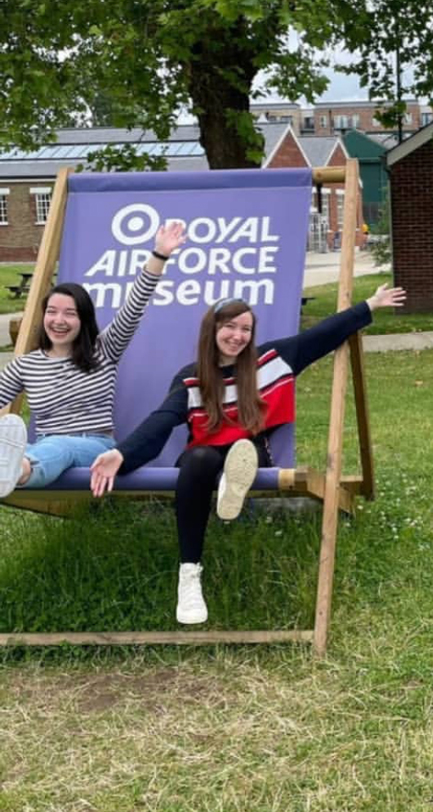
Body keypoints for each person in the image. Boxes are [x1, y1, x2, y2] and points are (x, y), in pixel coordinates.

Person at [89, 282, 407, 624]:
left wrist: (369, 306)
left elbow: (320, 336)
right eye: (229, 326)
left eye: (245, 329)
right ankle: (189, 574)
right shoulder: (191, 378)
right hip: (203, 463)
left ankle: (233, 479)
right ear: (212, 329)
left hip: (251, 454)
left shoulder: (270, 361)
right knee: (199, 457)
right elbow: (162, 420)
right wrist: (122, 454)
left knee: (244, 449)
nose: (237, 336)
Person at [0, 222, 187, 497]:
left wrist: (159, 255)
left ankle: (18, 471)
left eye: (69, 313)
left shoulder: (104, 349)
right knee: (42, 448)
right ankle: (14, 466)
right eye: (52, 312)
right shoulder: (26, 365)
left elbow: (134, 306)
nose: (58, 320)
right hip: (43, 447)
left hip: (94, 447)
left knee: (58, 448)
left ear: (84, 320)